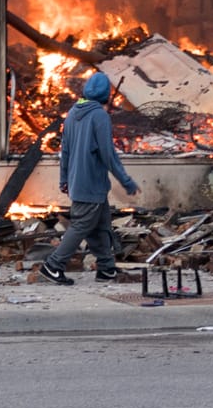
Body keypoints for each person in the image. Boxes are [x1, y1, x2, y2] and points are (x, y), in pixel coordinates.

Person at [39, 72, 140, 285]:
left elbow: (64, 151)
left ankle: (106, 269)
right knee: (82, 226)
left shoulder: (73, 113)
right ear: (106, 95)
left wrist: (64, 179)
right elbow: (108, 154)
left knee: (101, 226)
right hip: (91, 183)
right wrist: (126, 180)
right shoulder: (99, 116)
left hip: (79, 182)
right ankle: (53, 265)